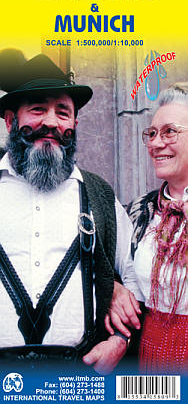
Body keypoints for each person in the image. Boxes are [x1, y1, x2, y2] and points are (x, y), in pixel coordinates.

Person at [0, 51, 140, 374]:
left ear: (74, 124)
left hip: (75, 379)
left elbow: (135, 277)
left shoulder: (100, 196)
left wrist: (120, 339)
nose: (51, 122)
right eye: (38, 109)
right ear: (11, 120)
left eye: (62, 112)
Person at [105, 83, 188, 373]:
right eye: (151, 134)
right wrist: (114, 290)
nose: (155, 143)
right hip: (148, 362)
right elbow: (113, 270)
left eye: (169, 132)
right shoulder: (137, 212)